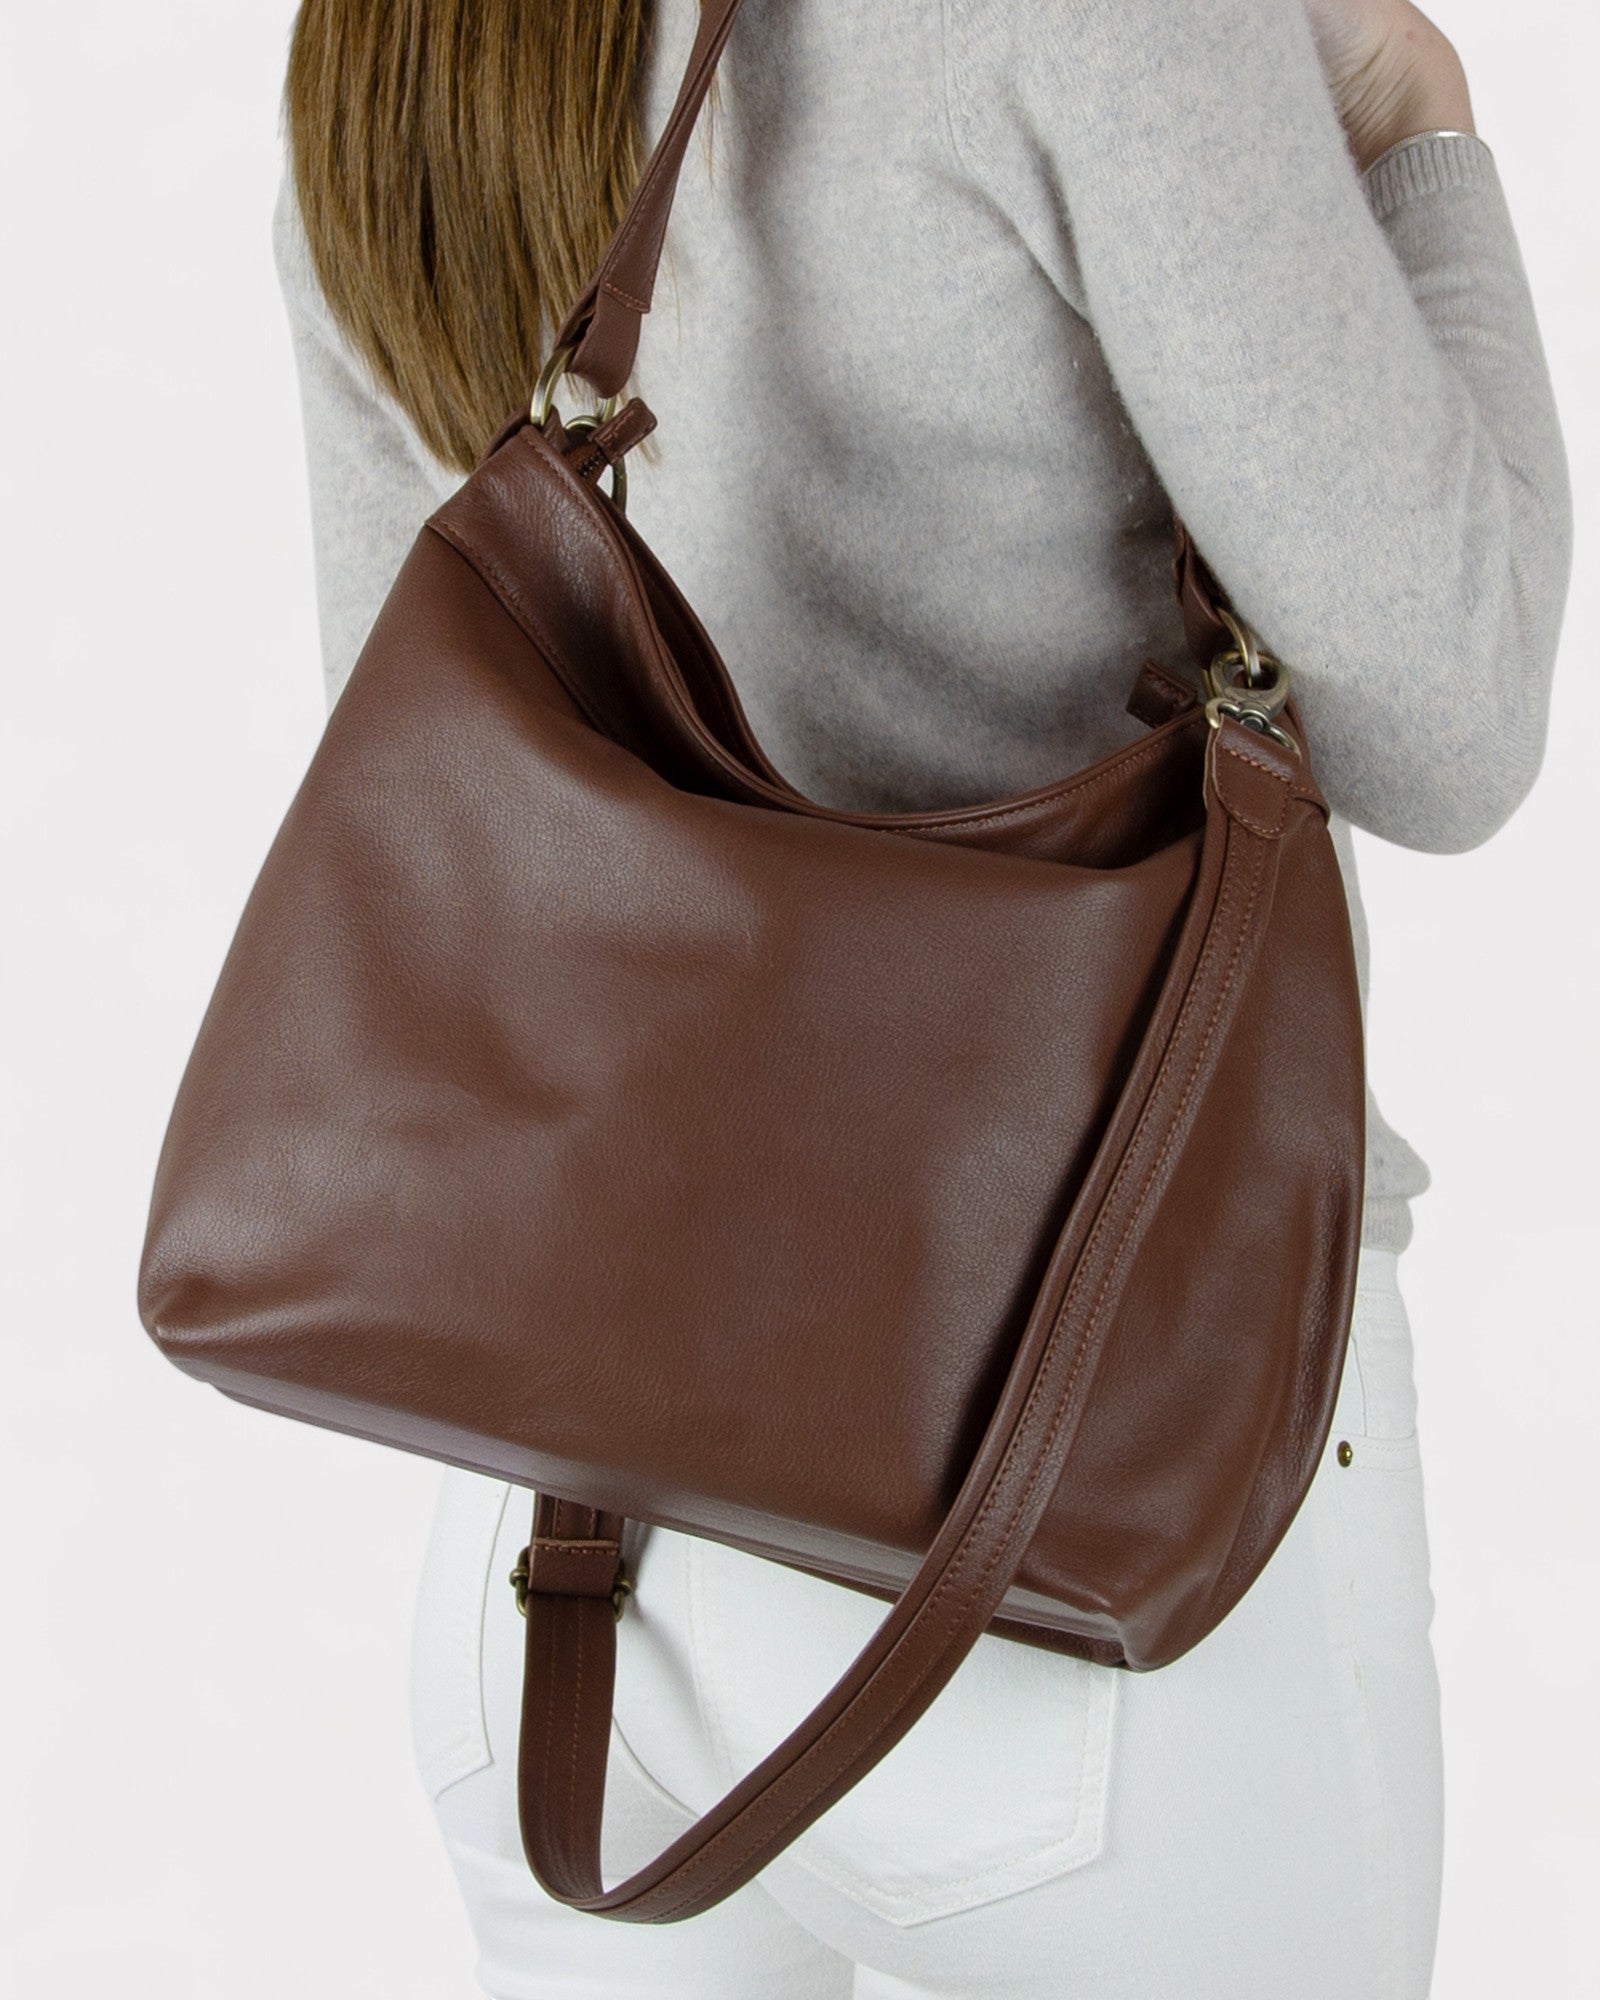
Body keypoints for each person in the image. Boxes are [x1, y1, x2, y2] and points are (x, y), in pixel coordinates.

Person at [272, 2, 1572, 1994]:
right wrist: (1418, 129)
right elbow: (1447, 713)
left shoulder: (397, 33)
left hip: (562, 1552)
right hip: (1092, 1520)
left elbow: (430, 757)